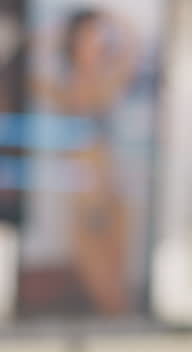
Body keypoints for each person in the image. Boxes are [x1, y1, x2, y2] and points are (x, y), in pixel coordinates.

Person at [35, 7, 139, 314]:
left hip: (109, 177)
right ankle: (114, 314)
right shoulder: (68, 86)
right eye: (87, 37)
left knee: (116, 257)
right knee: (93, 258)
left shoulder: (108, 78)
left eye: (98, 37)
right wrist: (55, 36)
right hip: (84, 182)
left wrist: (110, 17)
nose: (94, 43)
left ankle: (118, 314)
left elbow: (132, 48)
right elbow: (34, 75)